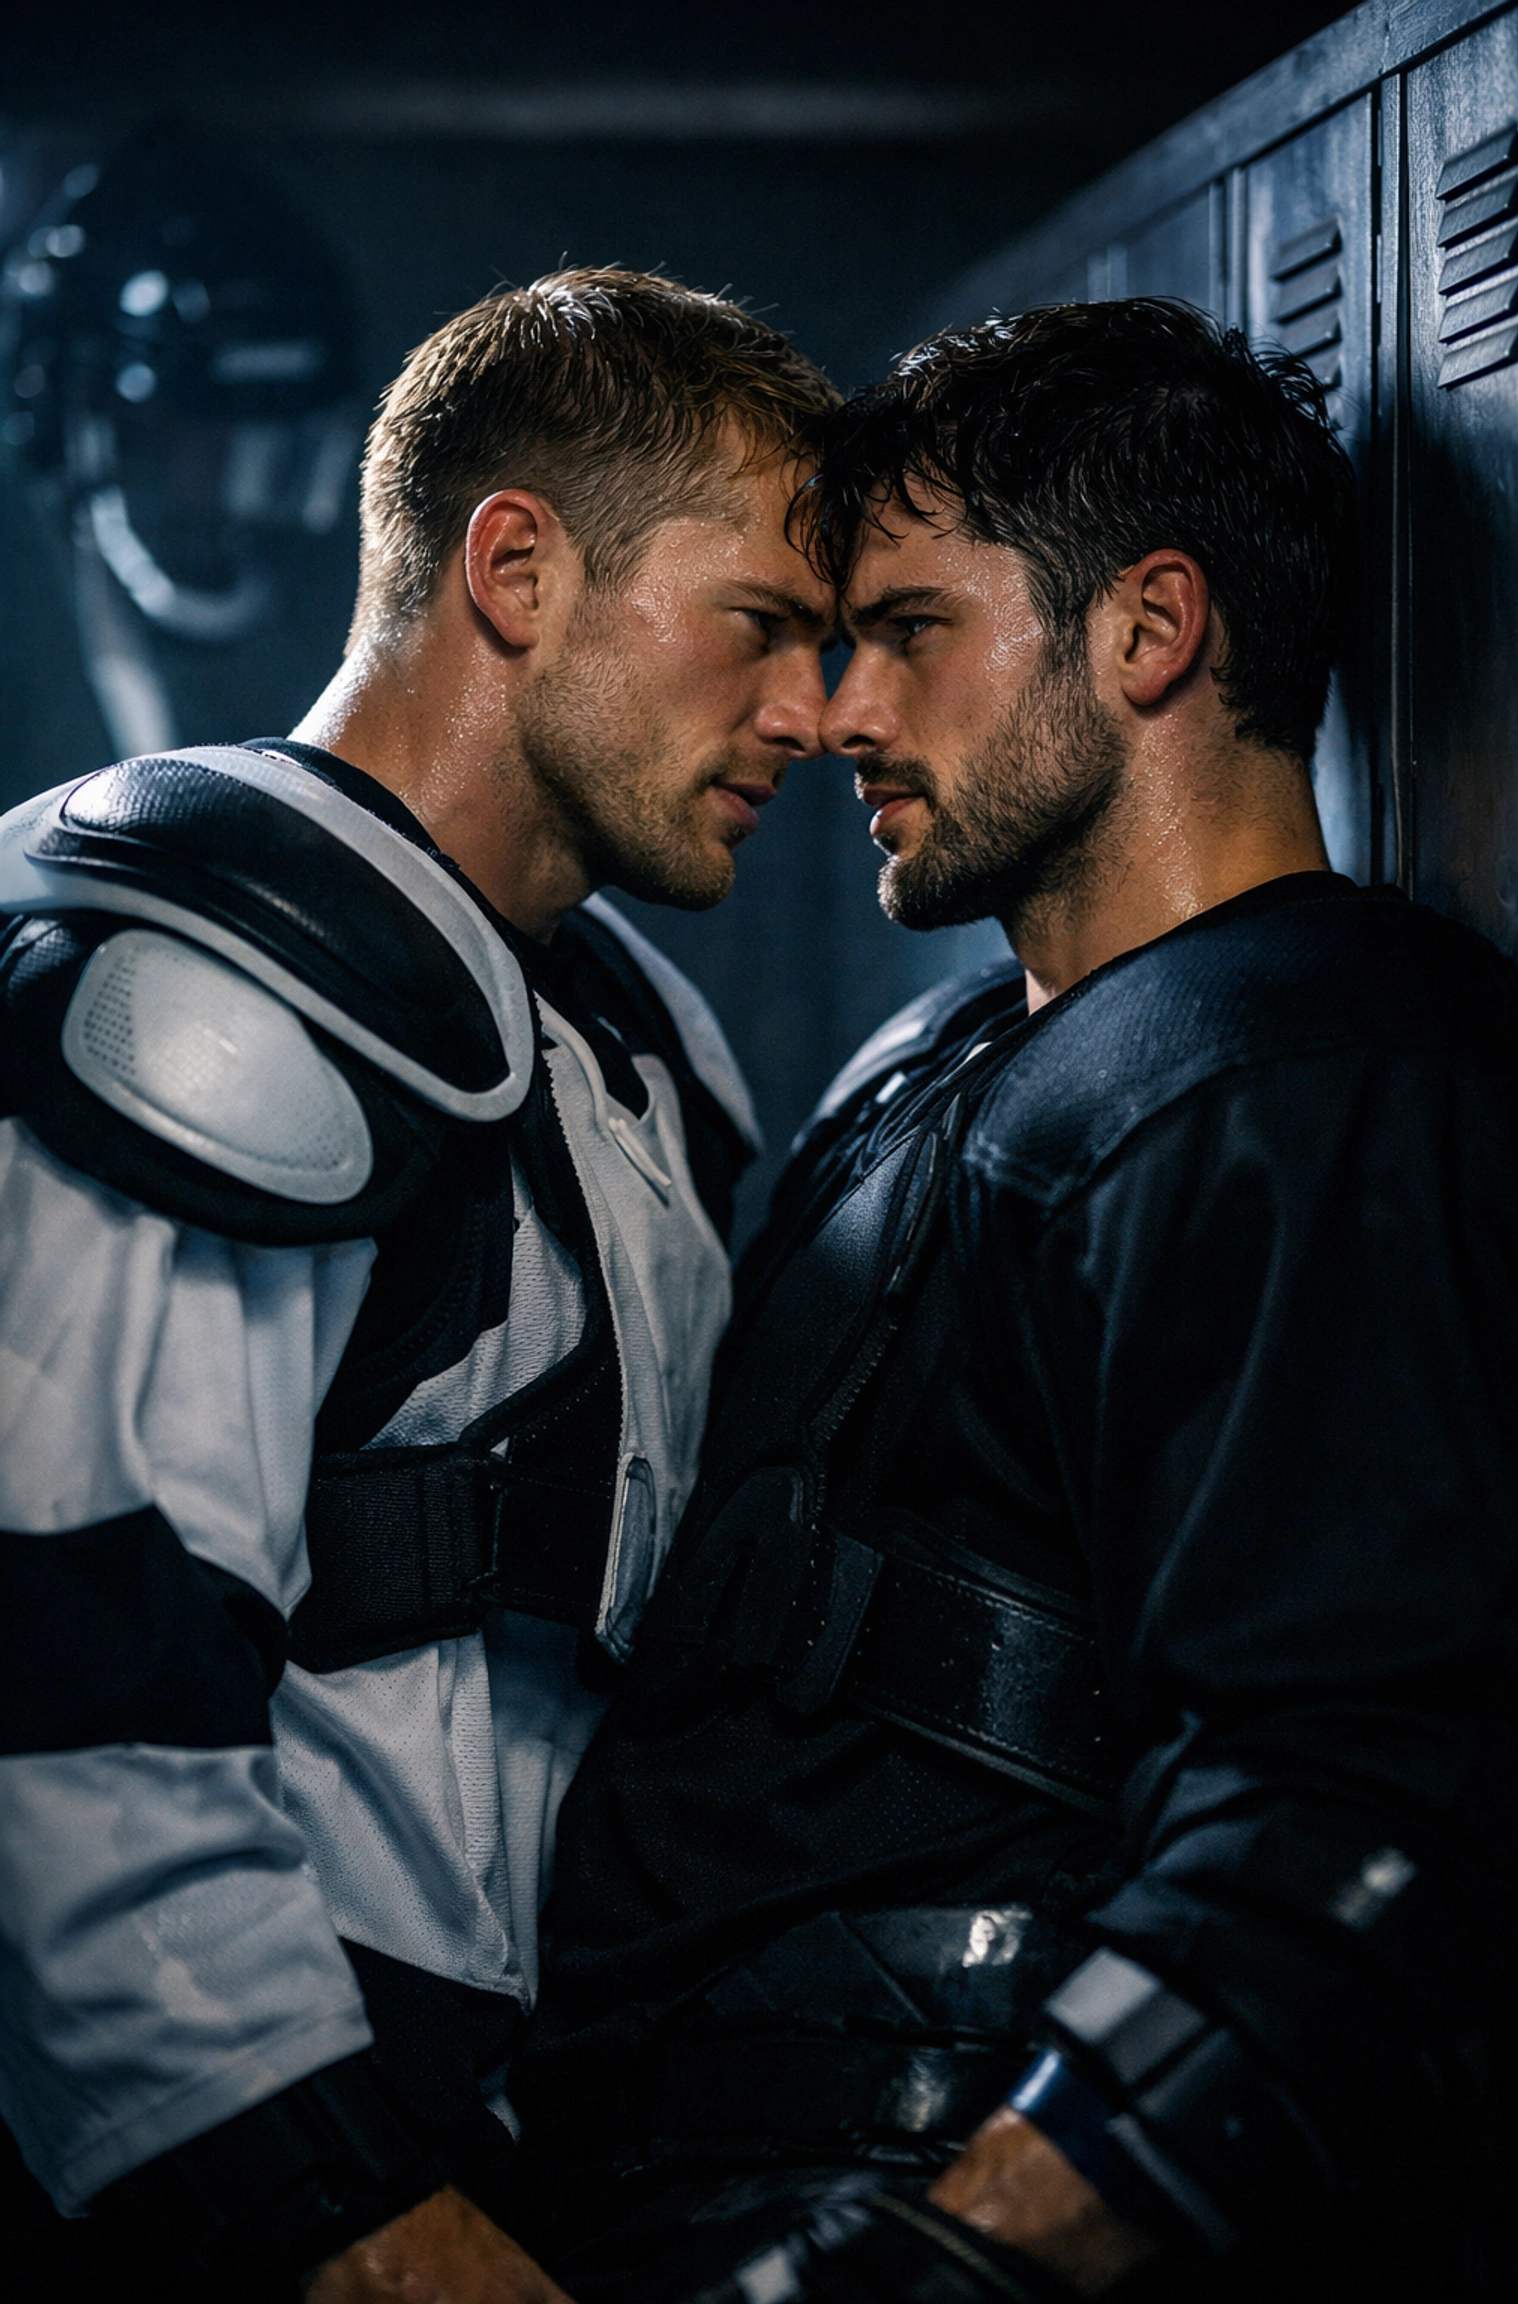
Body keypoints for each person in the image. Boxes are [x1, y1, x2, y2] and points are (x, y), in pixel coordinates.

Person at [514, 301, 1518, 2304]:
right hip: (683, 2193)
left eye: (908, 629)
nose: (840, 712)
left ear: (1150, 633)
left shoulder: (1309, 1075)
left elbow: (1362, 1783)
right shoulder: (938, 1056)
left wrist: (959, 2256)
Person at [0, 265, 837, 2302]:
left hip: (537, 2131)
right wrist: (344, 2218)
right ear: (520, 570)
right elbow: (68, 1713)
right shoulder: (201, 993)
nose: (817, 716)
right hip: (272, 2191)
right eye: (761, 630)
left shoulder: (643, 1036)